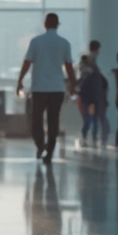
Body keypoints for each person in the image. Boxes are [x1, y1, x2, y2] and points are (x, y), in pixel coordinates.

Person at [16, 13, 77, 165]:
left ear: (45, 24)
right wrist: (73, 86)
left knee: (36, 119)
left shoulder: (36, 42)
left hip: (39, 88)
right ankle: (49, 153)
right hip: (57, 88)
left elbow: (27, 62)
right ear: (58, 24)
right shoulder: (64, 43)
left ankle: (40, 145)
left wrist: (20, 80)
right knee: (53, 120)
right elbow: (69, 67)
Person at [77, 54, 103, 147]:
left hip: (87, 98)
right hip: (93, 98)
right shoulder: (94, 73)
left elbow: (81, 85)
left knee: (88, 118)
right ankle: (94, 136)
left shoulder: (85, 73)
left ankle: (85, 135)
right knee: (93, 118)